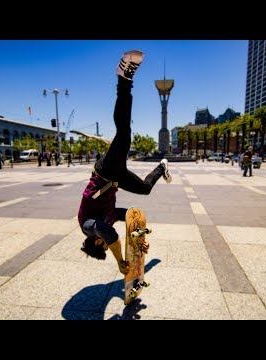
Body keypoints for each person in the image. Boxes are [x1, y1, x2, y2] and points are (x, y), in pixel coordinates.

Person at [78, 50, 172, 274]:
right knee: (145, 189)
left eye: (101, 244)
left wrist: (120, 260)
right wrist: (138, 240)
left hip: (105, 173)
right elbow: (129, 216)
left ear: (94, 241)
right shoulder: (106, 220)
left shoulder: (88, 227)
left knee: (124, 132)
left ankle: (124, 78)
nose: (105, 242)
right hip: (116, 178)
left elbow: (106, 230)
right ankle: (163, 166)